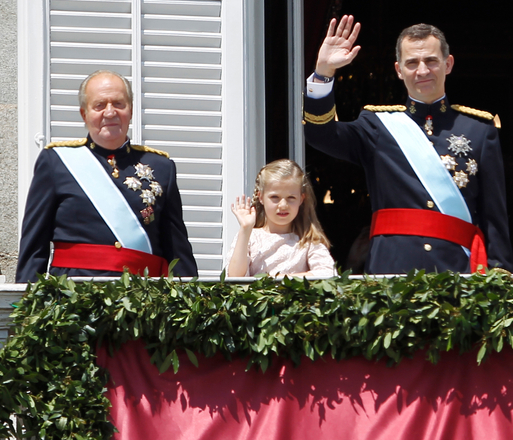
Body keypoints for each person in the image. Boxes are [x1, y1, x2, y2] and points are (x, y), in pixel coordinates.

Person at [303, 16, 513, 274]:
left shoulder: (479, 130)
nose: (422, 71)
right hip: (392, 269)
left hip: (457, 272)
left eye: (431, 61)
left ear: (448, 64)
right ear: (398, 70)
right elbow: (320, 135)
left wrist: (499, 273)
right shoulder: (377, 125)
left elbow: (494, 215)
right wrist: (323, 73)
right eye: (411, 63)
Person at [16, 70, 197, 282]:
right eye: (99, 105)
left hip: (143, 302)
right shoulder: (56, 162)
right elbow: (34, 246)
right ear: (84, 114)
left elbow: (177, 249)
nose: (110, 113)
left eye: (119, 104)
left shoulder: (160, 167)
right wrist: (26, 304)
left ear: (130, 111)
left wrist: (191, 302)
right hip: (73, 301)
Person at [225, 160, 336, 278]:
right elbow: (234, 277)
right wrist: (245, 229)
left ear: (301, 199)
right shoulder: (250, 237)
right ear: (261, 197)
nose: (283, 205)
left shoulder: (307, 238)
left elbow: (328, 273)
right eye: (275, 197)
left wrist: (277, 279)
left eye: (291, 197)